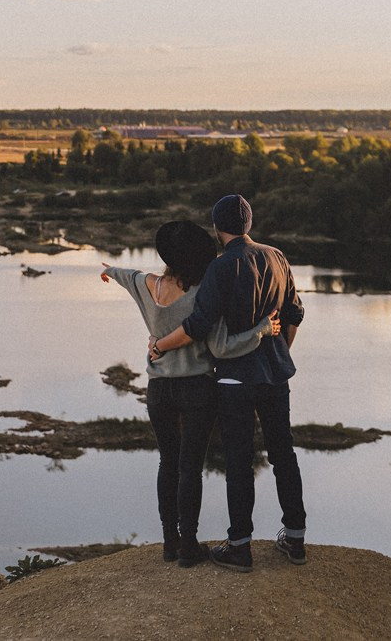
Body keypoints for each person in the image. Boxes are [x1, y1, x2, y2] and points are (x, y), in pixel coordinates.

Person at [100, 219, 279, 568]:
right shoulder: (203, 295)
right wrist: (262, 330)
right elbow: (224, 346)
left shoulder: (146, 285)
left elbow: (128, 275)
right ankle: (187, 546)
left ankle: (170, 541)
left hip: (158, 390)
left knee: (168, 462)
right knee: (189, 468)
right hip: (197, 388)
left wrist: (110, 271)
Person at [149, 194, 306, 573]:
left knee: (239, 461)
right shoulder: (277, 257)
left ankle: (240, 546)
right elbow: (294, 313)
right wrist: (278, 351)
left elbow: (199, 326)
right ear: (248, 224)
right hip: (275, 374)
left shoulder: (220, 268)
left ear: (218, 229)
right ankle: (296, 539)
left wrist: (159, 346)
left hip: (235, 379)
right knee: (283, 453)